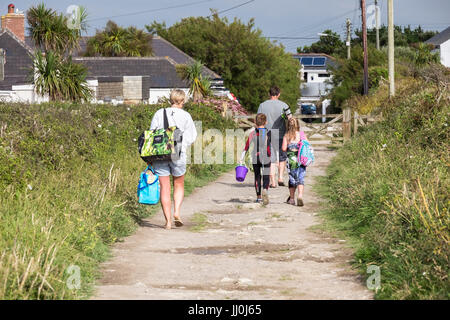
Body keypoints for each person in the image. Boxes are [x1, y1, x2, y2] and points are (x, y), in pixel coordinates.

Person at [150, 89, 197, 229]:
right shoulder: (186, 116)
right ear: (182, 101)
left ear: (170, 99)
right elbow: (191, 136)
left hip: (160, 153)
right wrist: (181, 145)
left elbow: (152, 133)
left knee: (164, 187)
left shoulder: (159, 113)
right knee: (179, 184)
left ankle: (168, 222)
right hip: (178, 152)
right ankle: (176, 212)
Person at [257, 86, 292, 188]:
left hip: (266, 134)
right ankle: (280, 177)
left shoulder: (262, 105)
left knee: (270, 157)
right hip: (281, 133)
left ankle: (273, 182)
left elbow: (258, 120)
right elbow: (290, 119)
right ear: (279, 94)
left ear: (269, 94)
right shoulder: (284, 105)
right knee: (282, 156)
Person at [240, 113, 272, 205]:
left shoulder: (253, 133)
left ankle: (258, 198)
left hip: (256, 156)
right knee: (266, 176)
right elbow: (272, 147)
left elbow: (246, 147)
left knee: (257, 176)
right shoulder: (268, 132)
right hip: (266, 156)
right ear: (266, 122)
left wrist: (241, 158)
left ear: (255, 122)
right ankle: (265, 189)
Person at [282, 118, 308, 206]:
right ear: (297, 124)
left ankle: (292, 199)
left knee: (292, 178)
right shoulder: (301, 134)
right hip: (301, 159)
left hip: (291, 159)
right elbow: (307, 145)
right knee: (301, 177)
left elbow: (284, 148)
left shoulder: (287, 135)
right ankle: (300, 195)